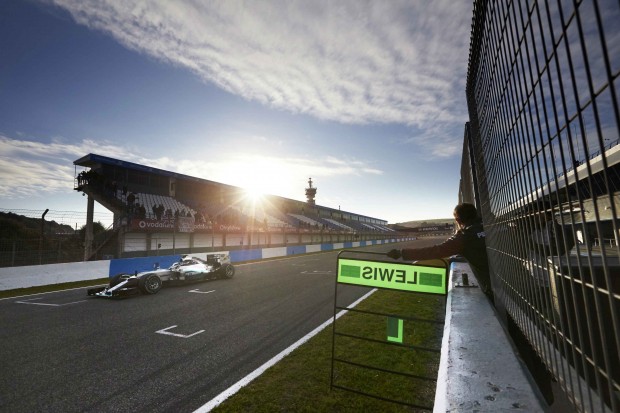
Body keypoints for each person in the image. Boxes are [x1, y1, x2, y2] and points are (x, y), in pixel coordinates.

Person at [387, 203, 493, 302]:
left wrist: (402, 253)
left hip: (497, 291)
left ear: (458, 220)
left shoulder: (464, 236)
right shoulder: (493, 225)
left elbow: (435, 251)